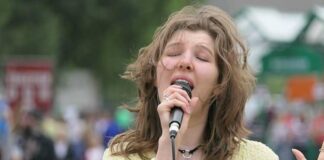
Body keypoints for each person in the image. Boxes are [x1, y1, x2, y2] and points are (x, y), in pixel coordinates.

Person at [102, 4, 324, 160]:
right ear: (154, 73)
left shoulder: (258, 157)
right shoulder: (121, 154)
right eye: (174, 53)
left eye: (201, 57)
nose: (185, 62)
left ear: (220, 83)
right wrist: (168, 146)